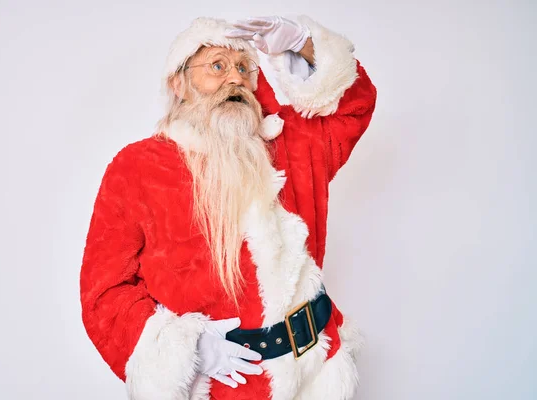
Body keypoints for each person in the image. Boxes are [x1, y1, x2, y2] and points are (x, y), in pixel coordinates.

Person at [80, 14, 377, 400]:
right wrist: (181, 349)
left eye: (242, 68)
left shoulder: (293, 145)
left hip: (315, 376)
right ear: (179, 82)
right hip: (220, 388)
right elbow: (104, 292)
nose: (235, 78)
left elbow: (353, 107)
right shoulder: (137, 167)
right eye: (217, 66)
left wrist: (303, 44)